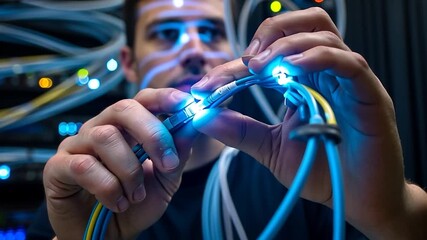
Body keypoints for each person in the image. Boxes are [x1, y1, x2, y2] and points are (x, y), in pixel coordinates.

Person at [27, 0, 427, 239]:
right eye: (167, 34)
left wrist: (392, 214)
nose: (195, 51)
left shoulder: (311, 175)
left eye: (211, 31)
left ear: (238, 48)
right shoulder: (86, 195)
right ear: (129, 63)